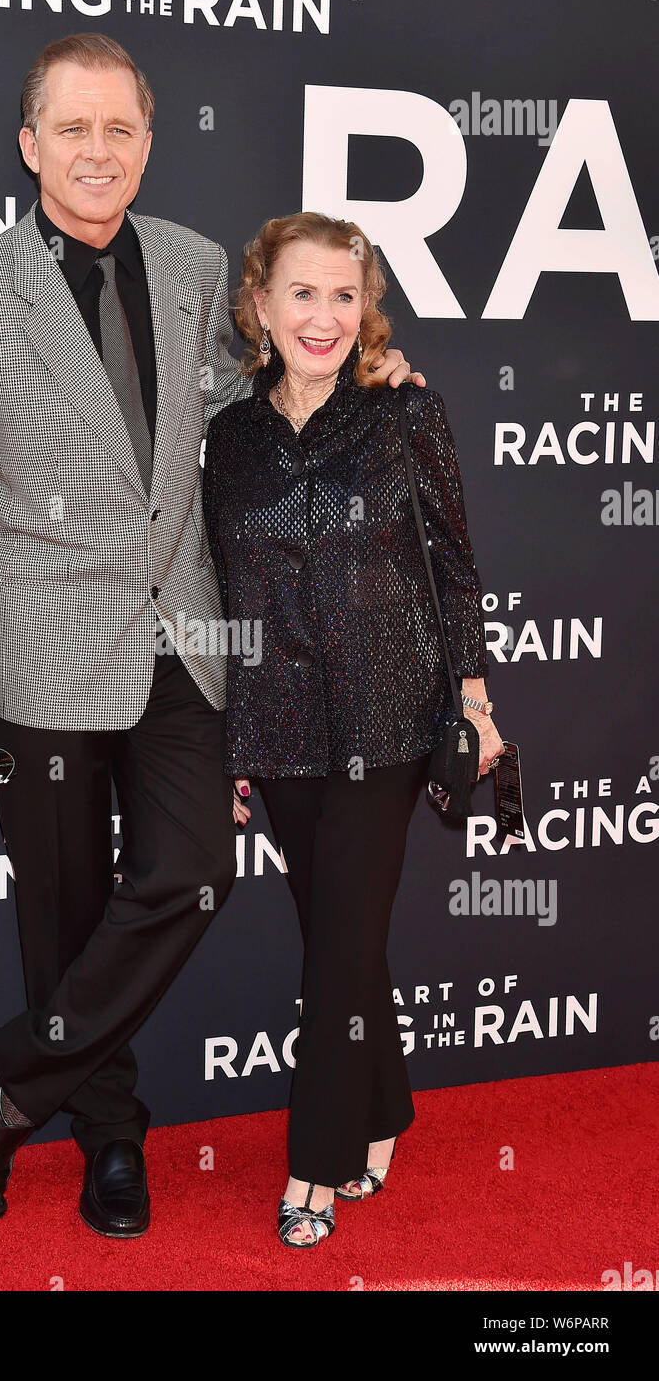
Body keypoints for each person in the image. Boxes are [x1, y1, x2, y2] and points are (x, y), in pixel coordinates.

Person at [0, 35, 423, 1239]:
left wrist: (367, 366)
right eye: (71, 130)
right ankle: (112, 1137)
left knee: (189, 874)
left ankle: (14, 1076)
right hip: (40, 653)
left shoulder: (190, 265)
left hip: (184, 642)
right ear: (31, 146)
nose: (97, 151)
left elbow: (256, 393)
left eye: (118, 130)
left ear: (147, 142)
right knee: (68, 915)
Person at [202, 211, 504, 1247]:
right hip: (280, 725)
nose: (323, 315)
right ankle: (385, 1107)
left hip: (388, 712)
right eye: (302, 293)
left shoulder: (404, 414)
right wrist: (230, 735)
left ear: (365, 308)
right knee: (343, 937)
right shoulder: (227, 437)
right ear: (260, 306)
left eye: (344, 294)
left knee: (335, 951)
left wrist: (473, 700)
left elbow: (455, 566)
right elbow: (218, 584)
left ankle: (319, 1164)